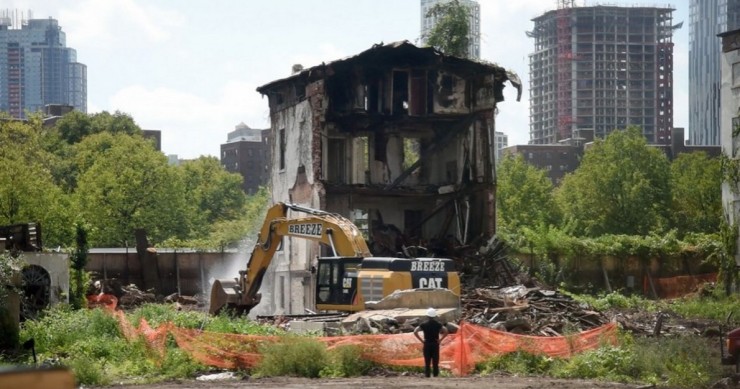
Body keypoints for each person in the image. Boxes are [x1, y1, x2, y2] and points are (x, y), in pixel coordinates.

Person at [413, 307, 449, 377]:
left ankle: (427, 375)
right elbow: (446, 331)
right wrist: (440, 340)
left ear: (427, 316)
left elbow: (415, 331)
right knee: (435, 361)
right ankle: (435, 375)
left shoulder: (423, 324)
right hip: (435, 344)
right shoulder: (438, 324)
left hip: (427, 343)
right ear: (435, 316)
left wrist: (421, 340)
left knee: (427, 361)